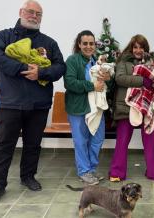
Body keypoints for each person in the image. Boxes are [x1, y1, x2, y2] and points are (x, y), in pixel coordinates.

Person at [0, 0, 66, 205]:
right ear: (21, 12)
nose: (34, 16)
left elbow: (60, 68)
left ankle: (28, 176)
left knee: (33, 145)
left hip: (39, 104)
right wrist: (22, 67)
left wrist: (41, 72)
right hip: (9, 102)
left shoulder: (49, 43)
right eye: (30, 12)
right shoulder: (3, 36)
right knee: (4, 145)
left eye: (38, 14)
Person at [109, 34, 154, 182]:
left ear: (146, 49)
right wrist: (142, 80)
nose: (138, 50)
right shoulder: (123, 61)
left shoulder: (152, 62)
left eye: (141, 47)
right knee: (122, 141)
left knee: (151, 140)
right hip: (127, 107)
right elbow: (120, 79)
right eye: (135, 47)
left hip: (146, 107)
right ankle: (117, 173)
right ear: (131, 48)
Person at [64, 30, 111, 185]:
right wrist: (91, 86)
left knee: (97, 139)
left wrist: (107, 79)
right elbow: (69, 83)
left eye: (91, 43)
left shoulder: (97, 62)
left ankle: (91, 168)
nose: (88, 46)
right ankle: (84, 171)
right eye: (85, 43)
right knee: (81, 141)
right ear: (79, 44)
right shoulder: (72, 61)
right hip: (78, 108)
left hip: (96, 108)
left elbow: (105, 86)